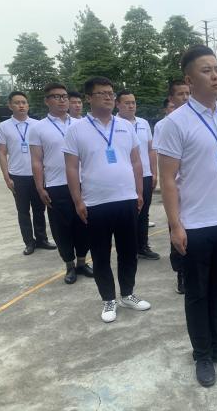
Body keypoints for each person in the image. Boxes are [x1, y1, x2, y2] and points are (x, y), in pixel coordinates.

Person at [158, 45, 217, 388]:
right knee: (198, 293)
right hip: (194, 225)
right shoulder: (174, 124)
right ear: (189, 79)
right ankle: (202, 354)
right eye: (206, 70)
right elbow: (168, 179)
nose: (215, 76)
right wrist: (175, 225)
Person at [63, 76, 150, 323]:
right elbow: (71, 168)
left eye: (111, 93)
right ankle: (108, 299)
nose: (108, 97)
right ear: (88, 98)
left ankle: (128, 294)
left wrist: (139, 192)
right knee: (101, 255)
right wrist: (78, 200)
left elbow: (136, 161)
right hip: (95, 202)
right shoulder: (76, 129)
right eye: (102, 93)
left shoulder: (125, 126)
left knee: (128, 252)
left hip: (126, 199)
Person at [29, 83, 93, 284]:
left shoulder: (81, 124)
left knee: (84, 224)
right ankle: (69, 265)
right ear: (46, 101)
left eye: (64, 96)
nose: (62, 100)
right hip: (56, 185)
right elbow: (36, 160)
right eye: (56, 97)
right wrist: (40, 187)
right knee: (61, 228)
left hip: (83, 183)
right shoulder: (38, 128)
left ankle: (82, 262)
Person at [0, 91, 56, 255]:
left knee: (39, 209)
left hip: (37, 176)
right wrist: (7, 177)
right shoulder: (3, 127)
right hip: (17, 176)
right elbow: (2, 153)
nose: (21, 105)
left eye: (24, 102)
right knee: (23, 211)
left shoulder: (38, 125)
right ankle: (29, 242)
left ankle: (42, 239)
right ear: (10, 106)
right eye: (17, 103)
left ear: (28, 105)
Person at [153, 80, 190, 294]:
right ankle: (181, 274)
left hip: (195, 191)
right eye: (180, 94)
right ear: (171, 98)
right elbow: (165, 162)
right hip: (176, 191)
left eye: (188, 93)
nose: (185, 97)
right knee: (177, 231)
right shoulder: (165, 125)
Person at [116, 90, 160, 260]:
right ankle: (129, 249)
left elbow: (151, 149)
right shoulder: (114, 124)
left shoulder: (143, 123)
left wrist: (154, 172)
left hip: (145, 175)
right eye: (127, 103)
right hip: (125, 176)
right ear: (117, 104)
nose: (131, 106)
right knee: (127, 214)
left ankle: (142, 246)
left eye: (133, 102)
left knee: (144, 213)